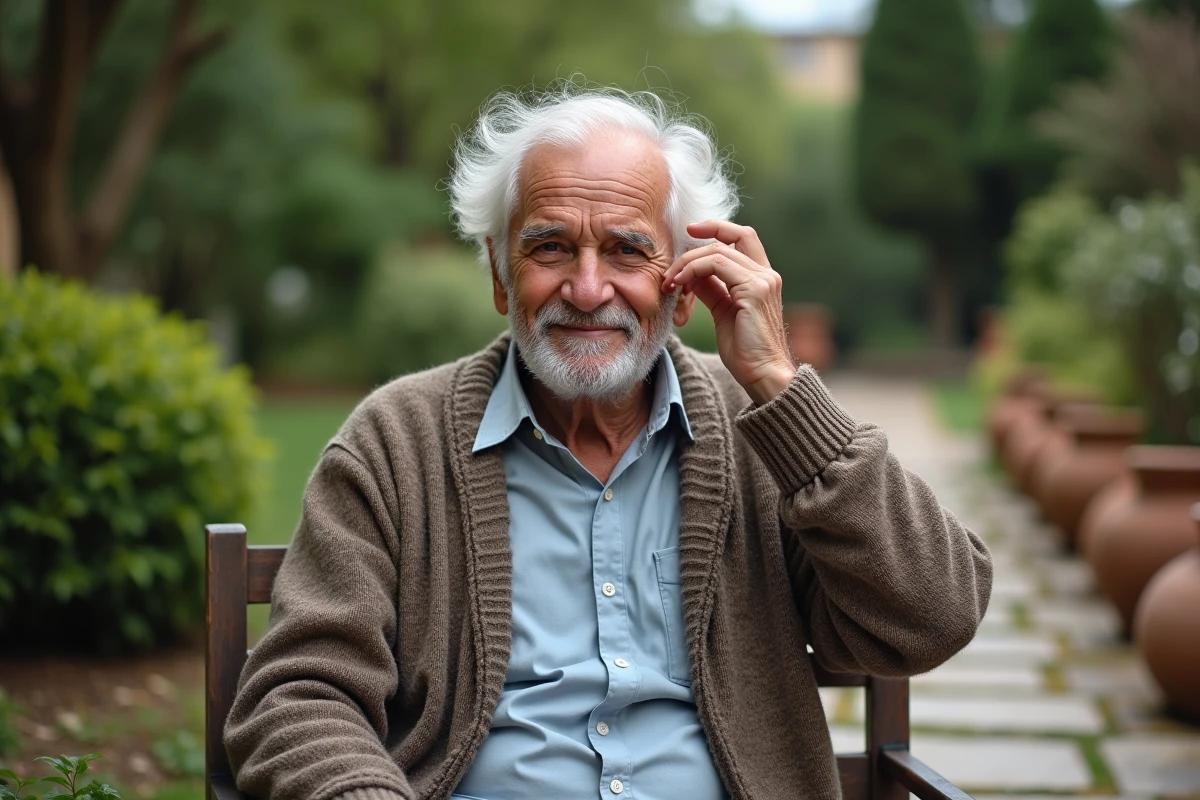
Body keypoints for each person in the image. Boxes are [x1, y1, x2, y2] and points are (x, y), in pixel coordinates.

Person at [224, 85, 993, 800]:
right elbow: (298, 694)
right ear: (498, 274)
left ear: (685, 285)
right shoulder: (396, 443)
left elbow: (932, 617)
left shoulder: (768, 441)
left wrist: (779, 386)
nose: (587, 290)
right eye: (550, 248)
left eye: (627, 251)